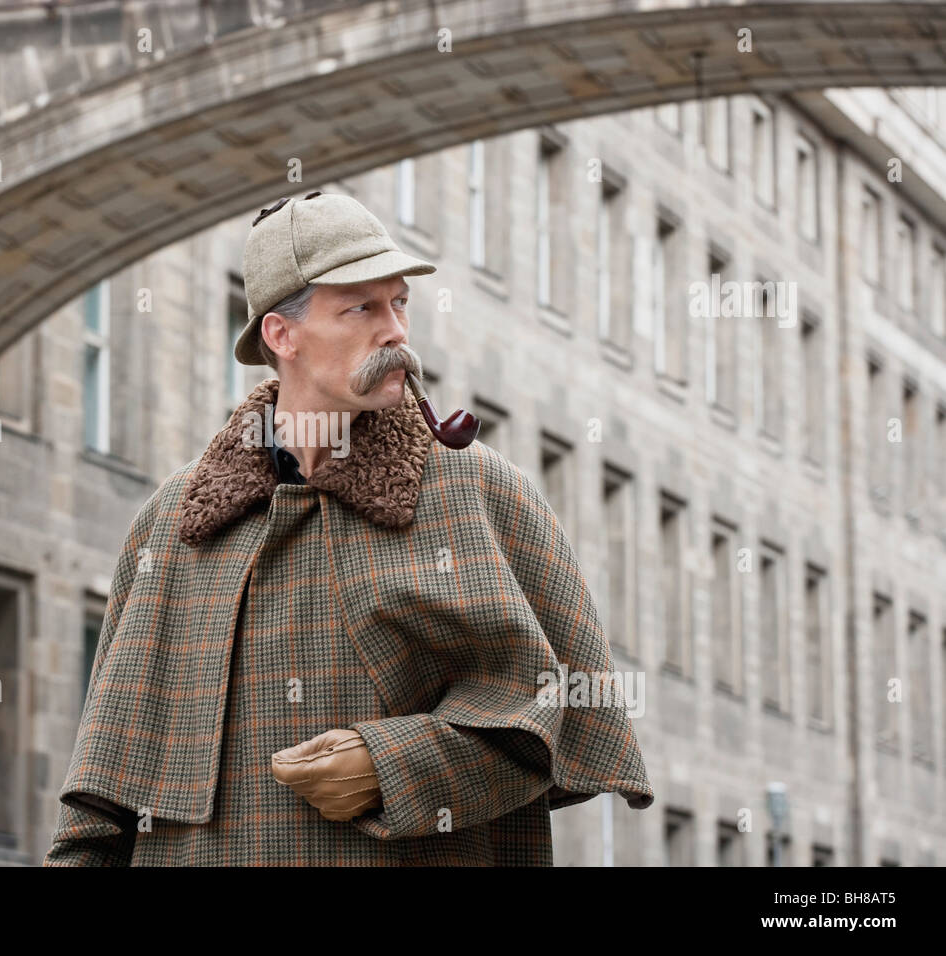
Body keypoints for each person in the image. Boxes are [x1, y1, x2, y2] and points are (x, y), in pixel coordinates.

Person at [44, 191, 653, 866]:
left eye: (399, 303)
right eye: (361, 307)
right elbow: (102, 799)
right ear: (282, 335)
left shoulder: (478, 491)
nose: (395, 331)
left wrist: (390, 765)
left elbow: (551, 713)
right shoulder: (173, 522)